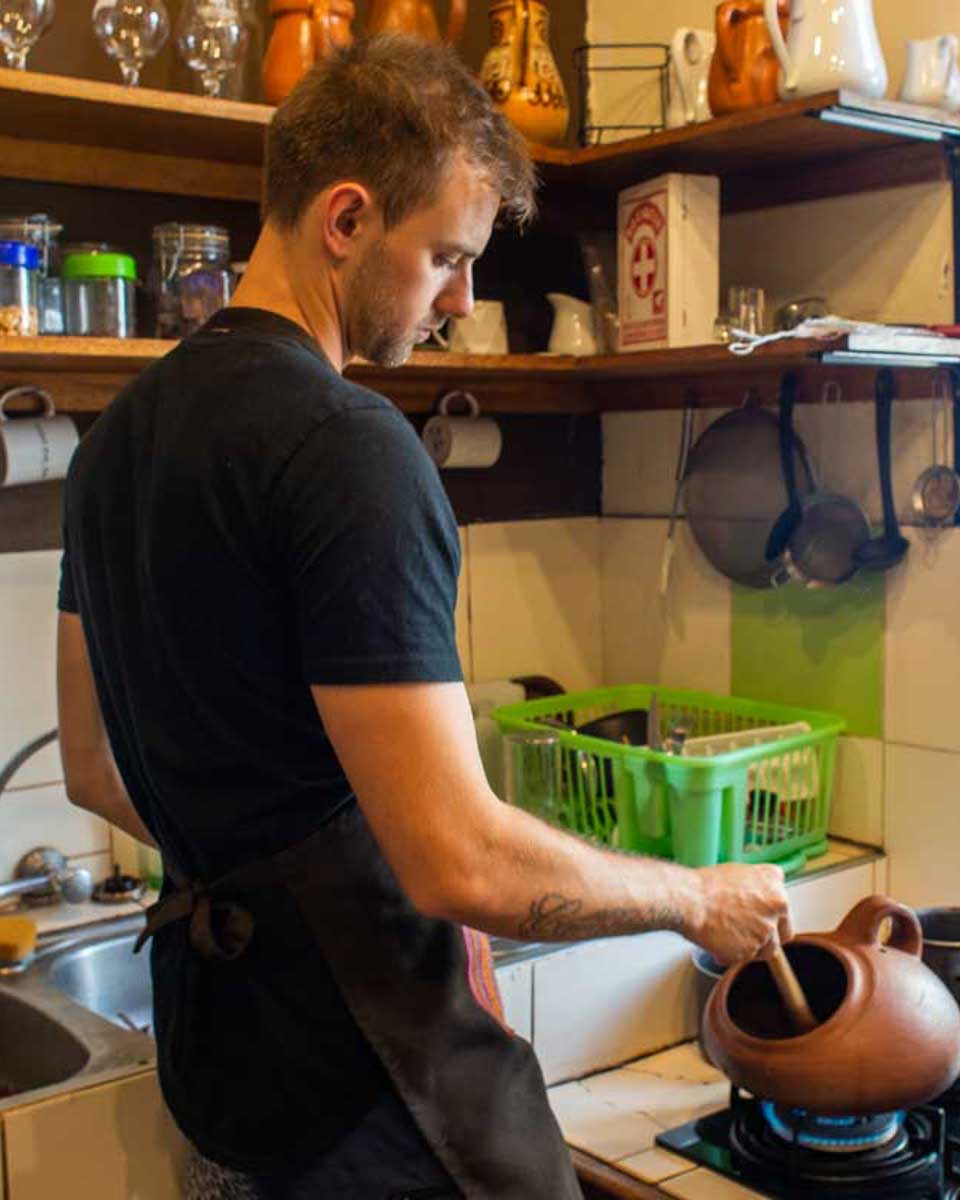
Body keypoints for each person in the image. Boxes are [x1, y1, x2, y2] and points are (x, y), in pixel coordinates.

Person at [55, 34, 792, 1200]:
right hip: (371, 1086)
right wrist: (699, 894)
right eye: (446, 258)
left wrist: (259, 869)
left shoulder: (116, 444)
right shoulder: (346, 447)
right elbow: (461, 862)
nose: (459, 301)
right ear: (345, 219)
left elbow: (94, 769)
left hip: (223, 1074)